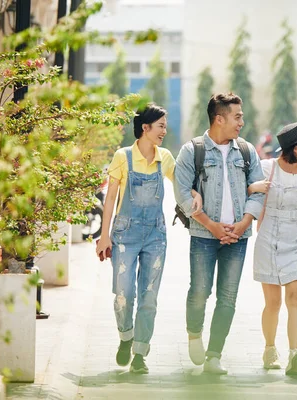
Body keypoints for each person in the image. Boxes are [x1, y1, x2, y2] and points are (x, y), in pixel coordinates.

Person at [174, 92, 265, 375]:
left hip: (237, 238)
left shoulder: (247, 151)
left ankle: (214, 355)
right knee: (200, 291)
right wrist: (212, 225)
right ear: (219, 119)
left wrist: (244, 222)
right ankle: (194, 333)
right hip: (203, 235)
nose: (242, 122)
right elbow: (181, 193)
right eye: (237, 116)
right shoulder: (193, 151)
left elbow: (259, 189)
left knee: (228, 297)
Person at [96, 104, 189, 374]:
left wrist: (194, 196)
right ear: (145, 128)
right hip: (125, 234)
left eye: (165, 125)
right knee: (124, 294)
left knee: (149, 297)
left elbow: (182, 185)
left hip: (155, 237)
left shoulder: (165, 158)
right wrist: (104, 237)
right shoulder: (122, 157)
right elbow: (111, 198)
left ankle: (140, 352)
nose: (164, 130)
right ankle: (126, 336)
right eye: (160, 125)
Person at [250, 122, 297, 376]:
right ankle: (270, 349)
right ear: (295, 147)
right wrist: (254, 188)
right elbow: (246, 189)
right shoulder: (267, 168)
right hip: (269, 235)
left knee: (296, 298)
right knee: (273, 303)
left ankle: (294, 354)